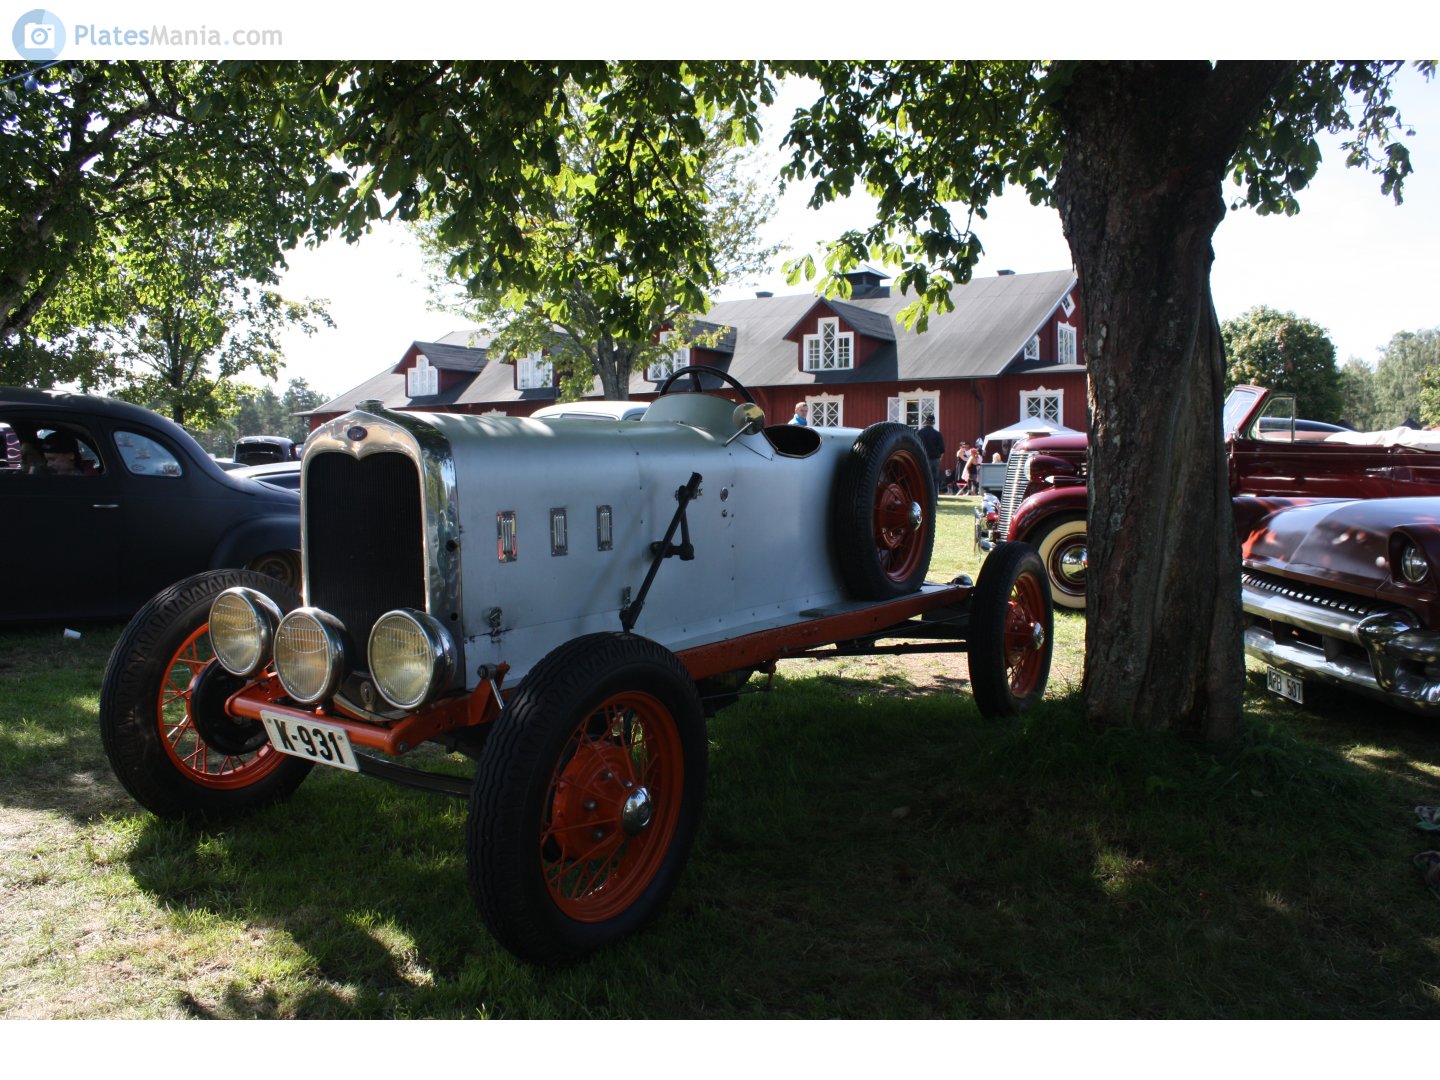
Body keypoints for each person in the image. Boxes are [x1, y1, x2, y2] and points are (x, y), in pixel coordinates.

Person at [916, 415, 944, 491]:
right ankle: (934, 499)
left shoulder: (919, 433)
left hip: (923, 459)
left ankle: (924, 499)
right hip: (935, 459)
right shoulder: (938, 434)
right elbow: (942, 449)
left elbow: (916, 446)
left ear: (926, 422)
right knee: (935, 480)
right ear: (933, 423)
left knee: (923, 479)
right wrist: (939, 460)